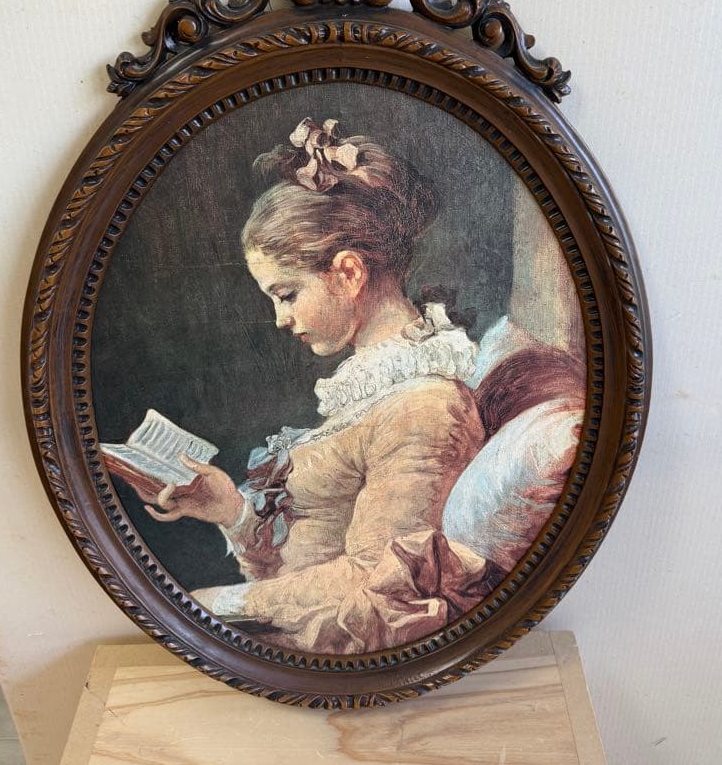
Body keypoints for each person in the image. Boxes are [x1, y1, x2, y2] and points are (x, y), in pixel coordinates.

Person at [134, 118, 504, 655]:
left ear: (348, 273)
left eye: (286, 294)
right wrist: (232, 511)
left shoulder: (425, 406)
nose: (280, 319)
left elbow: (380, 584)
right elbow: (313, 548)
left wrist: (221, 604)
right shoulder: (376, 388)